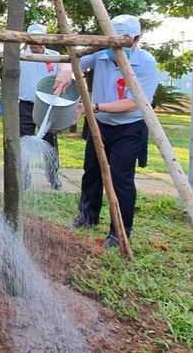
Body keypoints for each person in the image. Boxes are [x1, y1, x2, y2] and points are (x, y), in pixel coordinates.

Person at [65, 14, 159, 248]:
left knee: (121, 179)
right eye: (111, 42)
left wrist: (92, 107)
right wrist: (65, 69)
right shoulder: (101, 53)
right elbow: (73, 60)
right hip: (101, 125)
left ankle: (119, 232)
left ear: (136, 40)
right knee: (92, 172)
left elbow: (132, 102)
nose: (114, 48)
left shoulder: (146, 64)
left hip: (129, 128)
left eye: (122, 43)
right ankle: (87, 216)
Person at [18, 23, 72, 189]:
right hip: (26, 105)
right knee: (23, 143)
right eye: (31, 40)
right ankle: (24, 177)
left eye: (38, 40)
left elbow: (67, 64)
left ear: (45, 40)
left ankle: (53, 175)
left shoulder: (55, 56)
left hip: (48, 106)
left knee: (50, 143)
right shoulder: (19, 56)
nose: (34, 43)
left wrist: (66, 68)